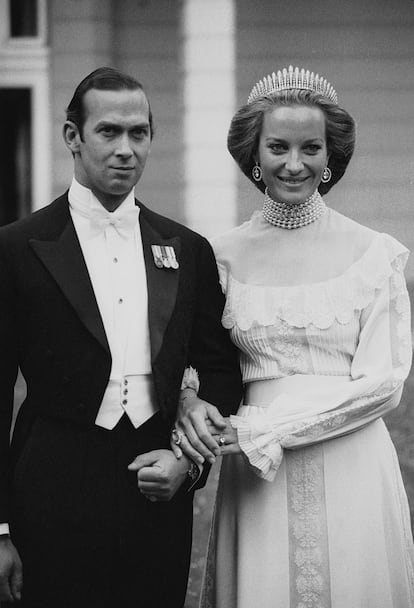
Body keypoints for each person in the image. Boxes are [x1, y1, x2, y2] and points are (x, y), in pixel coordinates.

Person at [0, 66, 242, 608]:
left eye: (139, 133)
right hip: (49, 489)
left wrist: (188, 461)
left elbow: (223, 372)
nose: (126, 149)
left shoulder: (187, 249)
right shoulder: (16, 248)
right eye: (109, 132)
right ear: (73, 137)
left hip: (157, 490)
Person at [173, 66, 414, 607]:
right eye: (278, 147)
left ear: (332, 156)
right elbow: (195, 360)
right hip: (258, 479)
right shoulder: (218, 256)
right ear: (253, 155)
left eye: (311, 148)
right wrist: (190, 400)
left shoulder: (374, 253)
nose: (294, 164)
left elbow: (385, 384)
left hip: (350, 461)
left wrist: (267, 429)